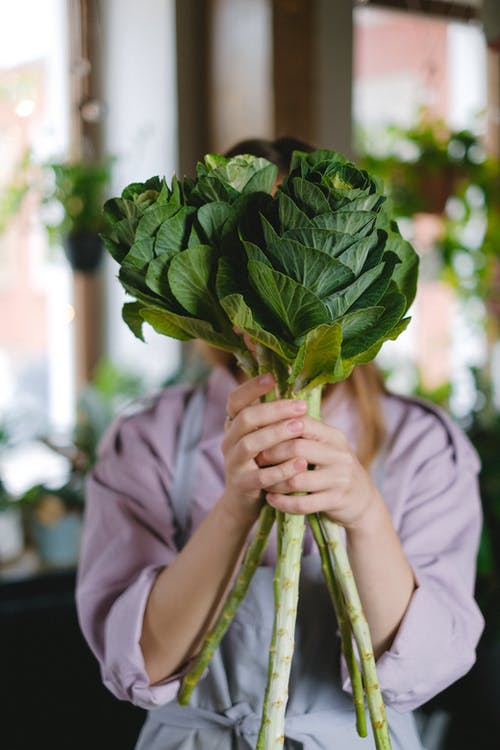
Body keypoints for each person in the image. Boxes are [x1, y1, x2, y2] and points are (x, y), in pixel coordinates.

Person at [76, 138, 484, 750]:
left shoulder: (427, 444)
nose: (264, 286)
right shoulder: (146, 439)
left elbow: (423, 674)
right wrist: (235, 507)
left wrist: (367, 516)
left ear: (352, 270)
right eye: (240, 258)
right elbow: (141, 663)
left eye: (282, 257)